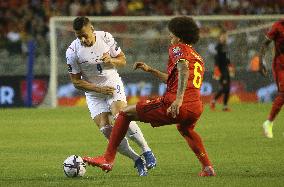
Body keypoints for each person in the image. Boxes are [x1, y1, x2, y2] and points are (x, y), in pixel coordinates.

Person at [83, 16, 215, 177]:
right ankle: (207, 167)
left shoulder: (178, 48)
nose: (170, 37)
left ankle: (108, 159)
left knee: (125, 113)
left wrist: (179, 100)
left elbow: (183, 69)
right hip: (195, 107)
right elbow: (175, 79)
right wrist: (150, 70)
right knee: (185, 129)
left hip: (177, 103)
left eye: (172, 34)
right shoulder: (197, 57)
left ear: (179, 37)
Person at [65, 17, 156, 176]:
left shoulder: (106, 37)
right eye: (79, 36)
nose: (82, 39)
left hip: (112, 83)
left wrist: (112, 60)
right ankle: (136, 159)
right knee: (107, 130)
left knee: (121, 116)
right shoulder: (72, 51)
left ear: (91, 29)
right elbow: (76, 82)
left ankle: (146, 150)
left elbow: (123, 60)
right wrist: (97, 89)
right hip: (94, 93)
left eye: (85, 35)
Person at [259, 19, 284, 138]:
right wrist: (261, 62)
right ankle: (268, 123)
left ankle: (269, 122)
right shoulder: (277, 26)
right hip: (280, 66)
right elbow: (265, 44)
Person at [210, 31, 234, 111]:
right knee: (225, 88)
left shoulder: (225, 47)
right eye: (223, 37)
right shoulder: (219, 47)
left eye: (225, 36)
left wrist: (230, 64)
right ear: (220, 38)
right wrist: (217, 70)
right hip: (221, 70)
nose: (225, 38)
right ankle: (214, 100)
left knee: (227, 88)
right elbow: (217, 53)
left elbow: (226, 58)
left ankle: (224, 106)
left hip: (226, 69)